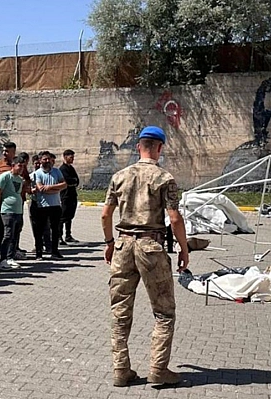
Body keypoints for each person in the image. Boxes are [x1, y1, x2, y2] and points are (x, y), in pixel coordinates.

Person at [101, 125, 189, 387]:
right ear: (160, 148)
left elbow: (105, 214)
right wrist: (184, 249)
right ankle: (159, 368)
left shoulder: (119, 176)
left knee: (120, 311)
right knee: (164, 312)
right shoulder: (164, 178)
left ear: (138, 146)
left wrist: (108, 242)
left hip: (123, 246)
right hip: (151, 246)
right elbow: (174, 218)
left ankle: (120, 369)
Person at [33, 151, 66, 260]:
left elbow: (64, 185)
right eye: (44, 159)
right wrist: (56, 188)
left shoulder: (56, 171)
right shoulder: (37, 173)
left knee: (55, 230)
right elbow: (40, 188)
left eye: (48, 159)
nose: (47, 161)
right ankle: (39, 253)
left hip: (55, 205)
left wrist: (50, 188)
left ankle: (55, 251)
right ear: (40, 160)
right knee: (40, 230)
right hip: (42, 206)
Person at [0, 154, 26, 269]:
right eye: (19, 166)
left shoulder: (20, 179)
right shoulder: (5, 177)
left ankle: (10, 257)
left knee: (15, 235)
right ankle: (2, 258)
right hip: (7, 210)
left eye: (23, 166)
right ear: (13, 165)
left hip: (18, 210)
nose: (21, 168)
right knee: (7, 235)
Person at [0, 141, 16, 252]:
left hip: (16, 204)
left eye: (7, 151)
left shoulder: (18, 165)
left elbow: (26, 180)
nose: (4, 153)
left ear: (13, 152)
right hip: (2, 203)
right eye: (3, 151)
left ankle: (13, 251)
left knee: (15, 228)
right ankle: (0, 250)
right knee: (2, 228)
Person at [29, 154, 51, 254]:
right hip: (34, 201)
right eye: (35, 163)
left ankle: (48, 245)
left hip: (44, 201)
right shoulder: (31, 176)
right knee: (35, 226)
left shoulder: (46, 174)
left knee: (46, 225)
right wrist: (31, 190)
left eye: (39, 163)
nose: (37, 165)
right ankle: (38, 245)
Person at [59, 149, 79, 245]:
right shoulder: (62, 169)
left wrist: (73, 181)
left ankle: (68, 235)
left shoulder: (71, 168)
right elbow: (68, 180)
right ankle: (59, 236)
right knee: (63, 216)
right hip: (65, 195)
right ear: (65, 157)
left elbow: (76, 180)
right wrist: (72, 181)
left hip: (72, 194)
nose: (72, 159)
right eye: (71, 157)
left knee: (70, 216)